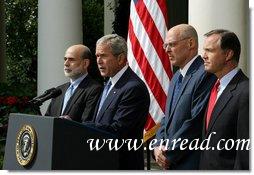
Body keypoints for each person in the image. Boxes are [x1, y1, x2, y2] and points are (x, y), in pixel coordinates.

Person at [153, 24, 216, 170]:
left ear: (191, 44)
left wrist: (168, 153)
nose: (167, 49)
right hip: (171, 162)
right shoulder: (176, 77)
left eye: (172, 44)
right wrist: (157, 146)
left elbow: (195, 122)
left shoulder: (205, 74)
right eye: (165, 45)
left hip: (189, 162)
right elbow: (167, 119)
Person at [91, 34, 150, 170]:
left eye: (103, 56)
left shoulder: (133, 87)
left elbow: (118, 130)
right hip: (103, 162)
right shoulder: (110, 83)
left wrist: (78, 125)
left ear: (120, 58)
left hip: (122, 165)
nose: (99, 61)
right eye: (97, 56)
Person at [199, 29, 249, 170]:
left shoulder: (246, 92)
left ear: (228, 54)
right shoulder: (214, 87)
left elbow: (245, 152)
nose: (204, 56)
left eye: (210, 51)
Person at [45, 44, 102, 123]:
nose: (66, 63)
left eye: (71, 60)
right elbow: (47, 118)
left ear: (85, 63)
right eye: (65, 59)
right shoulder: (59, 90)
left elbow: (88, 123)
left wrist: (71, 124)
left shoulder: (94, 89)